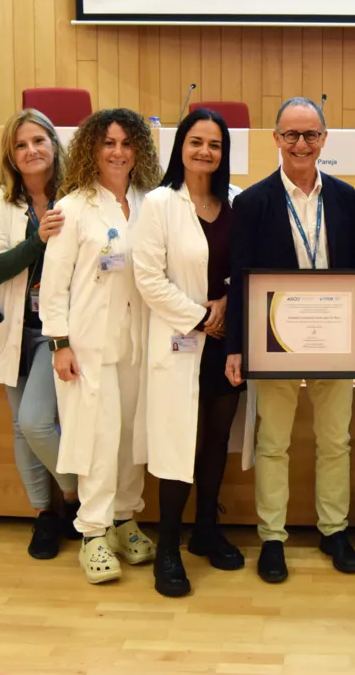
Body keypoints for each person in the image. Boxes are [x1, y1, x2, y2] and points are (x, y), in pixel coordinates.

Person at [225, 97, 355, 583]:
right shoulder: (251, 202)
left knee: (336, 441)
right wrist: (237, 347)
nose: (301, 144)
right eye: (292, 135)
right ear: (276, 139)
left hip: (337, 340)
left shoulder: (349, 198)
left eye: (310, 135)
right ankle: (272, 537)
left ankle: (334, 530)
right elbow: (240, 277)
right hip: (274, 340)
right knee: (273, 442)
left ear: (324, 139)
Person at [133, 109, 254, 597]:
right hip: (182, 340)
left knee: (215, 439)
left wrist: (227, 303)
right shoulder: (160, 203)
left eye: (215, 145)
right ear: (181, 146)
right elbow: (148, 277)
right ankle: (167, 546)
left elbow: (245, 269)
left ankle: (206, 528)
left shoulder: (237, 201)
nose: (206, 151)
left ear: (225, 153)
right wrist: (201, 315)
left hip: (226, 346)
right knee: (176, 442)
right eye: (196, 142)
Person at [39, 108, 160, 585]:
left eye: (127, 143)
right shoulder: (72, 208)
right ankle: (92, 531)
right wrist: (60, 342)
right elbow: (54, 285)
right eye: (108, 142)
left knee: (133, 435)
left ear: (140, 151)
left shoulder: (151, 202)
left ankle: (126, 518)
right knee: (97, 436)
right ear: (92, 148)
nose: (117, 152)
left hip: (140, 343)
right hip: (88, 344)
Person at [0, 109, 80, 559]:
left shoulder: (77, 198)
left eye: (39, 140)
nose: (31, 151)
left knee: (35, 421)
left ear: (54, 146)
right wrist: (37, 239)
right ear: (11, 157)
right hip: (15, 328)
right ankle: (46, 513)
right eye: (21, 145)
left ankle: (80, 497)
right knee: (22, 431)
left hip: (59, 332)